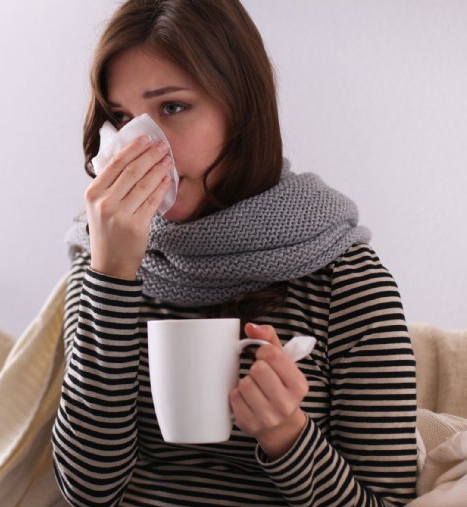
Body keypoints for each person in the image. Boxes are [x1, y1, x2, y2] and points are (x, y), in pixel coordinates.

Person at [51, 0, 418, 505]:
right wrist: (111, 275)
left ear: (242, 109)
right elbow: (88, 493)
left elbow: (390, 499)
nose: (140, 148)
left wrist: (288, 436)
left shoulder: (347, 281)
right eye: (122, 118)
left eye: (172, 108)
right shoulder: (103, 261)